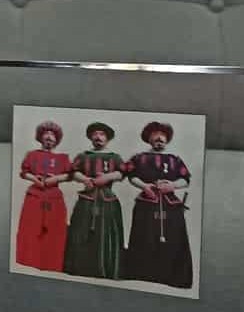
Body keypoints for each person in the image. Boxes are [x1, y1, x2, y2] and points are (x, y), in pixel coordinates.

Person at [122, 121, 193, 288]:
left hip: (170, 204)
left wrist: (173, 185)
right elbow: (131, 175)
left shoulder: (175, 159)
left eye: (163, 135)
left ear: (167, 139)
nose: (159, 138)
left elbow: (186, 179)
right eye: (155, 135)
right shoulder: (139, 158)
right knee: (145, 235)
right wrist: (144, 186)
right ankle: (144, 275)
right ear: (149, 138)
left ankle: (171, 276)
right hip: (147, 202)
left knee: (173, 237)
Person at [62, 121, 124, 279]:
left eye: (102, 134)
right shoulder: (83, 156)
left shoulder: (115, 157)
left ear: (107, 138)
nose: (98, 137)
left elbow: (122, 173)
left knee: (106, 232)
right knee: (81, 230)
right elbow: (73, 172)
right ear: (90, 138)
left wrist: (108, 177)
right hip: (87, 198)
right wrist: (85, 179)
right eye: (95, 134)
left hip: (107, 199)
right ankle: (81, 268)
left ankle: (105, 268)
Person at [14, 121, 70, 272]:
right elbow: (24, 172)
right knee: (31, 229)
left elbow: (69, 174)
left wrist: (56, 178)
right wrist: (35, 179)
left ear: (57, 140)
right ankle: (28, 264)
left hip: (54, 197)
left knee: (54, 230)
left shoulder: (63, 158)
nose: (49, 137)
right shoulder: (32, 155)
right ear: (40, 137)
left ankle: (51, 264)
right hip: (35, 195)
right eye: (46, 134)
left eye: (53, 135)